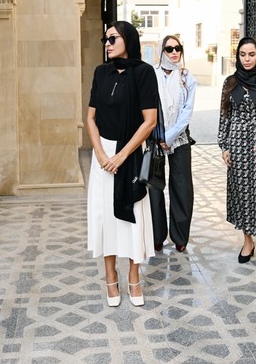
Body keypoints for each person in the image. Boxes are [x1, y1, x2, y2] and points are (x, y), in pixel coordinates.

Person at [86, 21, 158, 307]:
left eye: (113, 38)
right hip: (102, 155)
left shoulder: (143, 72)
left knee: (132, 217)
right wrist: (102, 155)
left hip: (130, 153)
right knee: (104, 216)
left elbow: (149, 120)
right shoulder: (100, 73)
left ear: (128, 39)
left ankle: (134, 277)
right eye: (105, 39)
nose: (107, 43)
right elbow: (90, 118)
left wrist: (121, 155)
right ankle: (110, 280)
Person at [217, 37, 256, 268]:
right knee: (241, 193)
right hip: (236, 145)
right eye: (243, 54)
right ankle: (247, 240)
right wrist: (224, 146)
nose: (247, 59)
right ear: (238, 56)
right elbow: (225, 115)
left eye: (251, 54)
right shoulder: (230, 82)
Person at [150, 35, 197, 253]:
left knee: (182, 187)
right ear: (162, 51)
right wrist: (159, 136)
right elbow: (149, 108)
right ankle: (156, 235)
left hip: (179, 139)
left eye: (178, 48)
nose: (174, 52)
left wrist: (169, 137)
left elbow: (186, 112)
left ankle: (180, 237)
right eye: (169, 49)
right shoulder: (151, 75)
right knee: (154, 187)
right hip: (154, 138)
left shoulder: (187, 77)